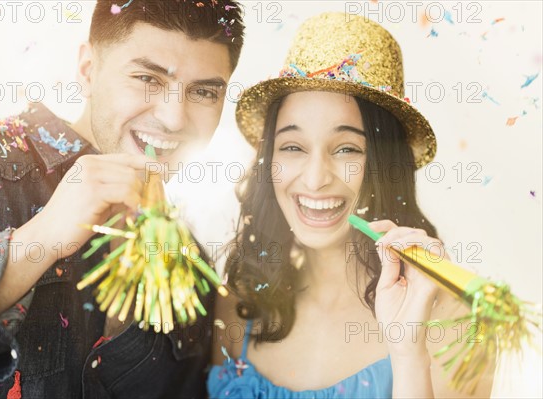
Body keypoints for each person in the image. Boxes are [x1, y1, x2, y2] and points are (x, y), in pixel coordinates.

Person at [0, 0, 244, 397]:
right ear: (88, 69)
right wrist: (37, 243)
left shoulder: (192, 269)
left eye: (204, 91)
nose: (174, 119)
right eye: (147, 78)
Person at [208, 12, 494, 398]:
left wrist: (409, 351)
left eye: (347, 149)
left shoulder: (455, 325)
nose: (314, 178)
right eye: (292, 147)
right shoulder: (233, 310)